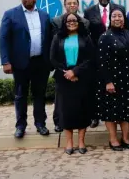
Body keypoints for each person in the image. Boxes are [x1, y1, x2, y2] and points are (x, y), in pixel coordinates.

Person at [0, 0, 52, 138]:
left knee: (39, 95)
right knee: (20, 95)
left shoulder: (44, 15)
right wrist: (5, 61)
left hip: (40, 63)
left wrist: (50, 61)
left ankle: (40, 124)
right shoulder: (10, 14)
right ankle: (20, 126)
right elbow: (3, 39)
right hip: (20, 63)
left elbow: (48, 39)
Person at [96, 7, 129, 151]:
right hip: (112, 81)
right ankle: (113, 139)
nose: (117, 18)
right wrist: (108, 81)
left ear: (124, 18)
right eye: (114, 16)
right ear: (110, 19)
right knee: (111, 111)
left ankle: (126, 138)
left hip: (128, 80)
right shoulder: (105, 36)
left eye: (120, 16)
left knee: (126, 110)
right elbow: (101, 62)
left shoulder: (128, 33)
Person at [50, 13, 94, 155]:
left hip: (82, 79)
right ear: (64, 23)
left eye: (74, 20)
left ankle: (81, 141)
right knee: (66, 112)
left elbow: (91, 58)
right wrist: (67, 73)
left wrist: (75, 72)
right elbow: (53, 59)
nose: (72, 22)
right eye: (68, 20)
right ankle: (69, 142)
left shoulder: (85, 37)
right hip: (64, 79)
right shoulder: (58, 37)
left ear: (79, 22)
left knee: (82, 110)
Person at [84, 0, 126, 129]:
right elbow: (87, 33)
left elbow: (125, 29)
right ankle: (95, 116)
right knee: (97, 86)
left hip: (116, 55)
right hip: (97, 55)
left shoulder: (119, 9)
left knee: (116, 86)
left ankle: (118, 115)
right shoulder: (89, 12)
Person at [50, 0, 90, 133]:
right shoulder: (56, 21)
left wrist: (77, 71)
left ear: (78, 5)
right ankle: (59, 122)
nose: (72, 5)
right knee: (61, 100)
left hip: (80, 70)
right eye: (69, 3)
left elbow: (87, 51)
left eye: (74, 3)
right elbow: (55, 52)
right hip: (63, 70)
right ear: (65, 5)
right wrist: (66, 72)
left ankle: (82, 123)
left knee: (80, 101)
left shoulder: (85, 22)